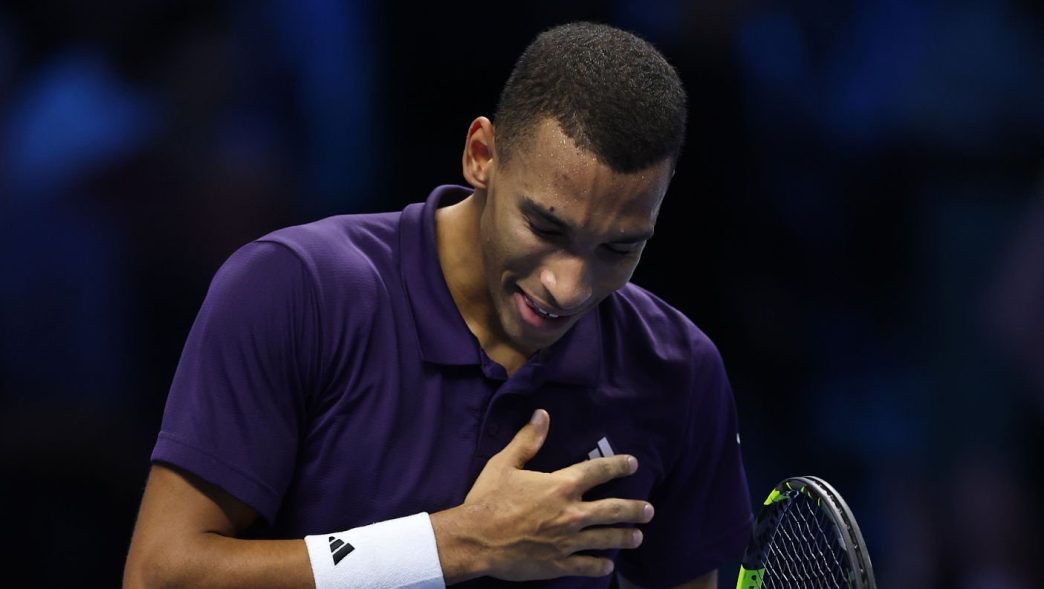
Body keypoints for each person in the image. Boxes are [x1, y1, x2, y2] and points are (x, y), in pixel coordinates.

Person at [123, 21, 754, 589]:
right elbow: (160, 576)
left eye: (618, 247)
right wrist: (457, 543)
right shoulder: (293, 290)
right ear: (481, 155)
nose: (569, 286)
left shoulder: (679, 370)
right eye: (546, 230)